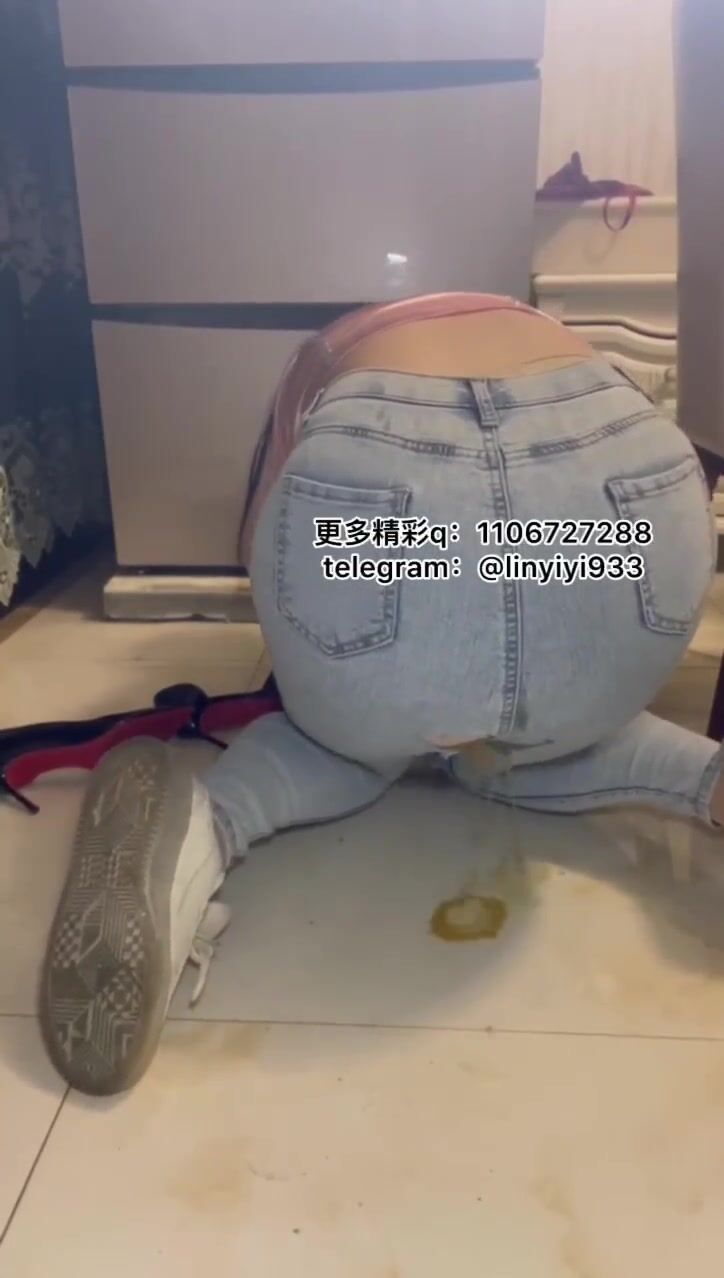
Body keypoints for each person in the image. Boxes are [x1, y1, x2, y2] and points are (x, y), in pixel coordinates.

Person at [40, 293, 722, 1095]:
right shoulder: (550, 333)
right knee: (551, 732)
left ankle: (203, 834)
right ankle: (704, 778)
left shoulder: (320, 358)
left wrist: (344, 674)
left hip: (397, 528)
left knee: (337, 742)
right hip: (623, 510)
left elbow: (261, 547)